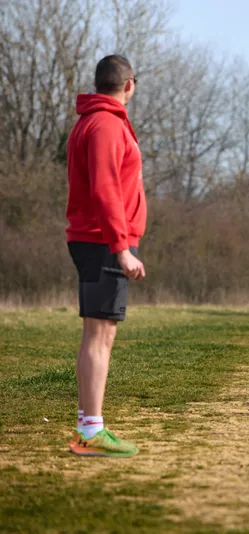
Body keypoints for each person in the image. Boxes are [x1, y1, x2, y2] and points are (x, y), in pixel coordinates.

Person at [66, 55, 146, 457]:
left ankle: (89, 427)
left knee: (96, 336)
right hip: (102, 243)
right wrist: (121, 248)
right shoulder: (106, 125)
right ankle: (91, 433)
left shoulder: (92, 120)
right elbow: (104, 189)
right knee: (99, 337)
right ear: (128, 85)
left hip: (99, 240)